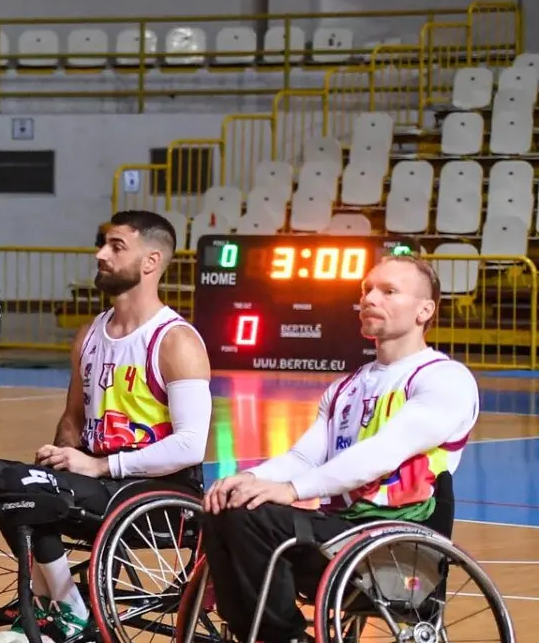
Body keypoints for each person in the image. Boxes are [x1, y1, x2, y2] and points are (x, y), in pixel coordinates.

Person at [0, 210, 212, 643]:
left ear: (151, 261)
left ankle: (68, 609)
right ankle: (47, 603)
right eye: (103, 244)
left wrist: (100, 467)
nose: (100, 255)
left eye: (116, 247)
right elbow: (74, 419)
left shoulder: (176, 341)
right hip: (98, 481)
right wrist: (60, 458)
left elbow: (190, 446)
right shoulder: (90, 334)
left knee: (28, 488)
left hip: (159, 493)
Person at [200, 255, 477, 643]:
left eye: (388, 291)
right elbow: (301, 458)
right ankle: (260, 632)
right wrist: (248, 478)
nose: (370, 298)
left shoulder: (444, 379)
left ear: (424, 310)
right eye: (366, 289)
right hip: (335, 540)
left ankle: (284, 638)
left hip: (394, 549)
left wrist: (292, 491)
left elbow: (381, 453)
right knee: (226, 505)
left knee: (255, 517)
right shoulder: (345, 387)